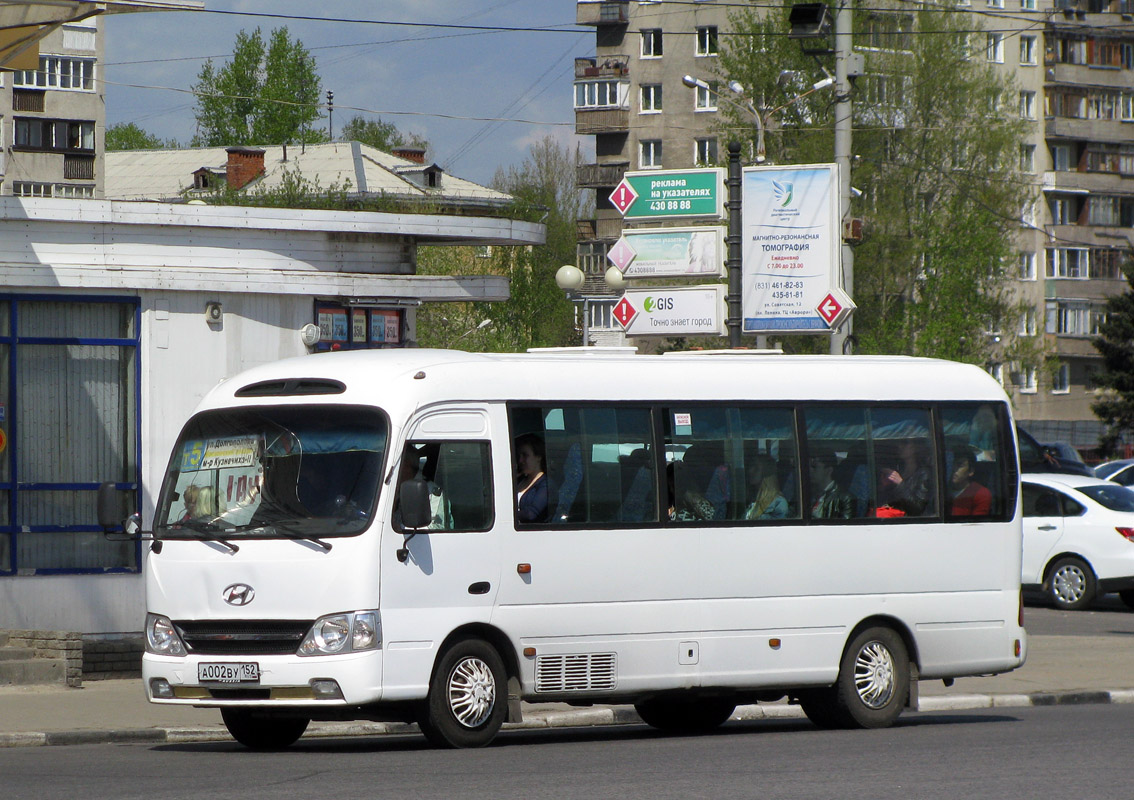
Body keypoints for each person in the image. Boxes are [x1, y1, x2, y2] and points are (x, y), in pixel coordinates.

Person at [393, 450, 450, 530]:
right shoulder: (391, 486)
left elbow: (437, 527)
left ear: (406, 465)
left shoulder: (431, 490)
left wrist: (401, 528)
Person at [878, 438, 934, 516]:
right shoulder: (899, 470)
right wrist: (885, 487)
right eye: (899, 443)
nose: (900, 446)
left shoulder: (924, 473)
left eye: (905, 443)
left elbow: (918, 508)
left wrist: (900, 483)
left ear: (915, 448)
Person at [809, 449, 855, 519]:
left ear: (828, 470)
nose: (810, 471)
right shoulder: (808, 494)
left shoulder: (845, 498)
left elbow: (845, 527)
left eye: (815, 467)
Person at [744, 453, 788, 520]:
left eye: (756, 468)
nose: (750, 471)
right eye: (750, 467)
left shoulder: (779, 503)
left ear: (766, 473)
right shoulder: (751, 499)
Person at [515, 433, 548, 523]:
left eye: (525, 455)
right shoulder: (520, 480)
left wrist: (509, 515)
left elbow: (531, 514)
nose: (520, 461)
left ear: (538, 457)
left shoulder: (545, 485)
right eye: (519, 456)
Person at [950, 449, 992, 517]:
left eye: (960, 465)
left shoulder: (980, 494)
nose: (954, 469)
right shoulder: (940, 489)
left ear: (971, 471)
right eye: (952, 464)